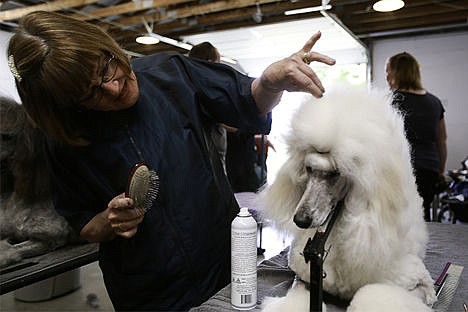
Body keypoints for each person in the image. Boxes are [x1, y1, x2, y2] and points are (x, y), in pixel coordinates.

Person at [7, 10, 335, 311]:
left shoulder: (173, 74)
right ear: (69, 106)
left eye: (106, 66)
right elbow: (83, 224)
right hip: (148, 291)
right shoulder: (65, 139)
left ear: (105, 45)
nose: (114, 85)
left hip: (223, 263)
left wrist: (268, 83)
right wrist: (109, 221)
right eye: (91, 93)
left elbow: (246, 100)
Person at [386, 52, 447, 222]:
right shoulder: (435, 102)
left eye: (388, 71)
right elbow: (441, 141)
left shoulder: (391, 101)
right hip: (429, 168)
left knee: (398, 216)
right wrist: (440, 171)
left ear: (397, 72)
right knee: (422, 213)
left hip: (400, 169)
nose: (386, 76)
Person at [188, 42, 228, 172]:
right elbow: (231, 125)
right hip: (212, 155)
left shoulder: (185, 84)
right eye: (218, 62)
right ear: (211, 63)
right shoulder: (212, 88)